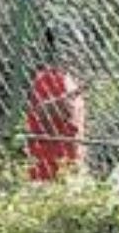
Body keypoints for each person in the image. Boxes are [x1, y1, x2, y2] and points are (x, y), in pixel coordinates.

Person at [25, 22, 88, 182]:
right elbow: (41, 113)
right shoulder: (47, 78)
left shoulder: (70, 80)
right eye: (74, 46)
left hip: (70, 168)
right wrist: (67, 99)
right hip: (49, 169)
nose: (78, 52)